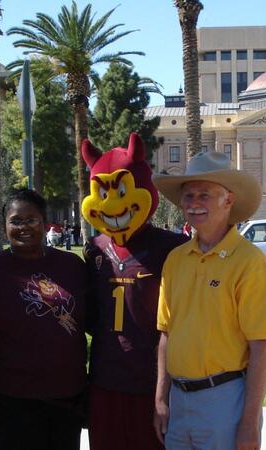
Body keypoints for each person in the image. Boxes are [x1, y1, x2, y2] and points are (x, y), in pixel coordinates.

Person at [153, 151, 266, 449]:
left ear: (229, 201)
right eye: (188, 195)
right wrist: (161, 398)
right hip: (179, 400)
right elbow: (166, 333)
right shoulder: (176, 259)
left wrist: (249, 424)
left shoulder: (251, 264)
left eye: (205, 194)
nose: (194, 203)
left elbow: (262, 349)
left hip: (225, 401)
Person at [80, 133, 187, 450]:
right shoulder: (94, 249)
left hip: (150, 382)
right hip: (104, 380)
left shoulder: (172, 248)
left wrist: (163, 392)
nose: (113, 204)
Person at [0, 188, 88, 450]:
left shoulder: (72, 266)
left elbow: (93, 322)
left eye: (31, 219)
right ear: (5, 226)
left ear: (44, 221)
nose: (23, 227)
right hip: (10, 396)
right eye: (15, 221)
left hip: (66, 394)